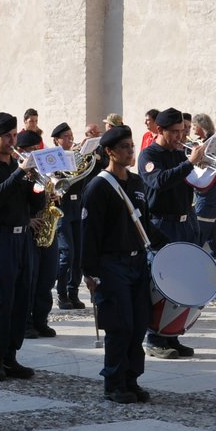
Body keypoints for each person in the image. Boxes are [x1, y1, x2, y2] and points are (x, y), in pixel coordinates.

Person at [82, 125, 166, 403]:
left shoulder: (137, 183)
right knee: (120, 325)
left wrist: (170, 247)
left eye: (132, 146)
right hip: (111, 264)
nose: (131, 152)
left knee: (139, 323)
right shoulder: (98, 187)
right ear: (109, 152)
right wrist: (89, 272)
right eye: (125, 148)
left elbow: (145, 222)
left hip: (137, 262)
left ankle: (132, 379)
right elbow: (90, 233)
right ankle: (114, 382)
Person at [0, 112, 46, 381]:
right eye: (6, 136)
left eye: (14, 135)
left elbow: (35, 204)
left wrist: (39, 185)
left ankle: (11, 356)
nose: (12, 140)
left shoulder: (19, 168)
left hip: (22, 238)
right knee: (0, 299)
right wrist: (19, 173)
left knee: (20, 299)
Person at [139, 107, 209, 358]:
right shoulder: (150, 155)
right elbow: (159, 181)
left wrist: (209, 169)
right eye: (176, 132)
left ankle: (173, 334)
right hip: (161, 225)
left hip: (185, 223)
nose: (181, 137)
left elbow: (195, 183)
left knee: (183, 281)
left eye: (183, 131)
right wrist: (189, 163)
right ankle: (155, 338)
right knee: (161, 283)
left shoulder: (180, 153)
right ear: (160, 130)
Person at [16, 128, 59, 339]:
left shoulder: (42, 171)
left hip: (46, 226)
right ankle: (26, 322)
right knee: (29, 279)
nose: (36, 153)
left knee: (47, 276)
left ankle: (41, 320)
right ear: (22, 150)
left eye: (37, 148)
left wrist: (53, 197)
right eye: (31, 149)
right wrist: (27, 220)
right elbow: (12, 202)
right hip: (28, 228)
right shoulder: (18, 171)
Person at [50, 122, 88, 309]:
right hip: (63, 208)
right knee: (67, 253)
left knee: (79, 254)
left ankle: (73, 292)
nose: (70, 139)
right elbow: (55, 182)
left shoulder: (76, 156)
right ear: (57, 140)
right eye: (66, 136)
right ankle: (61, 292)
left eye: (71, 135)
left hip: (77, 206)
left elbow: (84, 178)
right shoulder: (52, 159)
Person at [191, 114, 216, 260]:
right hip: (206, 181)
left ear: (201, 127)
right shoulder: (200, 141)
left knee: (203, 215)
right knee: (210, 217)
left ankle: (196, 248)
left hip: (212, 183)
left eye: (194, 125)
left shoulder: (213, 141)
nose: (193, 128)